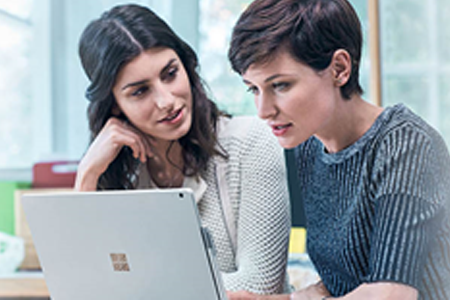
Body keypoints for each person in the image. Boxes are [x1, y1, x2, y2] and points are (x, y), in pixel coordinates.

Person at [227, 0, 450, 299]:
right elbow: (341, 284)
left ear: (339, 69)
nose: (263, 110)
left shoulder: (406, 144)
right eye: (253, 89)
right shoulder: (308, 145)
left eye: (280, 85)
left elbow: (391, 294)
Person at [74, 4, 292, 295]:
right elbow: (83, 286)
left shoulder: (250, 142)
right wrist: (87, 174)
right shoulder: (118, 173)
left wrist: (133, 286)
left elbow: (258, 286)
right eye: (140, 91)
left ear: (186, 67)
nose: (167, 101)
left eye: (170, 74)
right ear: (114, 104)